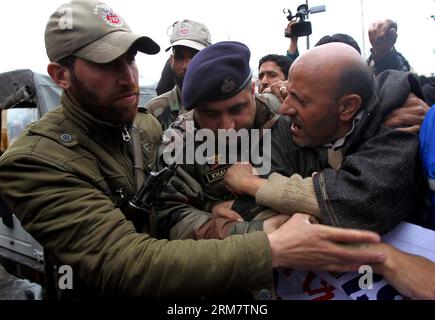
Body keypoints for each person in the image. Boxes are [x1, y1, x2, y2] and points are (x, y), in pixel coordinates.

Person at [0, 0, 387, 300]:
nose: (128, 77)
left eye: (130, 59)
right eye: (106, 65)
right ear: (60, 76)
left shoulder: (146, 127)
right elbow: (129, 256)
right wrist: (262, 238)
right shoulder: (34, 161)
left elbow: (351, 155)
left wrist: (395, 96)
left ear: (253, 91)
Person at [157, 41, 426, 242]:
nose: (227, 127)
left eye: (237, 109)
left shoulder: (283, 115)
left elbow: (355, 195)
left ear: (252, 91)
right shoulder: (179, 143)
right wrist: (224, 221)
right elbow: (168, 216)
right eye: (212, 115)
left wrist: (400, 100)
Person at [145, 19, 211, 131]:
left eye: (195, 57)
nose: (186, 66)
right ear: (171, 61)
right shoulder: (154, 111)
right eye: (180, 57)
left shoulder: (222, 106)